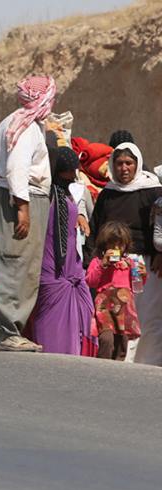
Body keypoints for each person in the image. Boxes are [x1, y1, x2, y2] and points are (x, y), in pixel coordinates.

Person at [0, 76, 56, 352]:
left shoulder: (21, 123)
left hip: (23, 198)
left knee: (24, 265)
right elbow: (17, 168)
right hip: (18, 199)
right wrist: (23, 209)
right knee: (13, 262)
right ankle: (8, 332)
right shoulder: (24, 127)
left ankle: (13, 330)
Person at [88, 142, 162, 364]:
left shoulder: (151, 192)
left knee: (148, 315)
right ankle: (122, 362)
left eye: (129, 163)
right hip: (114, 267)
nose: (124, 168)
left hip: (146, 265)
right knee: (119, 316)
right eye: (119, 163)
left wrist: (160, 254)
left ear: (137, 164)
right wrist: (96, 258)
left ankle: (149, 362)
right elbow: (97, 227)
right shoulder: (107, 195)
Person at [27, 147, 95, 355]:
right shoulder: (44, 195)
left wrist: (80, 216)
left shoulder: (69, 193)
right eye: (69, 171)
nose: (74, 175)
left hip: (70, 266)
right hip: (51, 267)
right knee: (50, 318)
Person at [86, 222, 143, 360]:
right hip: (105, 308)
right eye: (112, 245)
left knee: (122, 342)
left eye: (120, 245)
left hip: (124, 309)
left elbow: (137, 286)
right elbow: (90, 281)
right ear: (104, 245)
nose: (116, 249)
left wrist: (142, 274)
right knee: (106, 339)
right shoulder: (98, 262)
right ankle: (102, 366)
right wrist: (103, 264)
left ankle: (116, 372)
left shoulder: (130, 263)